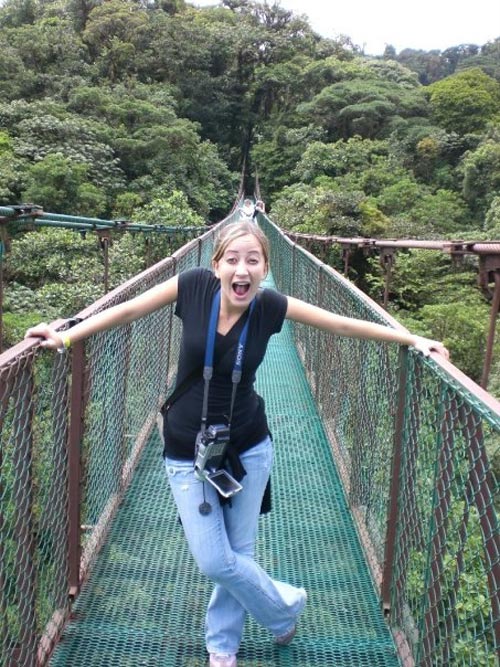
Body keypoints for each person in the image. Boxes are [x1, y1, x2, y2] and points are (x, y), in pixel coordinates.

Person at [25, 221, 449, 667]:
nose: (241, 269)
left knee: (238, 553)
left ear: (267, 268)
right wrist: (69, 332)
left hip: (247, 446)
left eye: (253, 260)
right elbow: (130, 310)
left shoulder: (269, 307)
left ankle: (222, 646)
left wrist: (412, 338)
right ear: (215, 265)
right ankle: (283, 606)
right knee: (214, 560)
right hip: (186, 449)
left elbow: (341, 326)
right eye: (232, 259)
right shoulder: (191, 288)